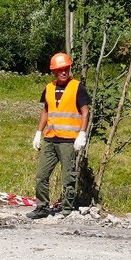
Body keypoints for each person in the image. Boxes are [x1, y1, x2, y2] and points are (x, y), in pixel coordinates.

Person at [29, 52, 91, 218]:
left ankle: (67, 210)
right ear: (54, 71)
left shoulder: (77, 87)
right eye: (59, 69)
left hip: (68, 141)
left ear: (69, 68)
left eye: (66, 68)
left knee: (68, 177)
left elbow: (85, 112)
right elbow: (46, 111)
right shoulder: (49, 88)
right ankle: (41, 207)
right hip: (50, 139)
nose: (63, 72)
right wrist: (38, 132)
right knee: (41, 176)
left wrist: (82, 134)